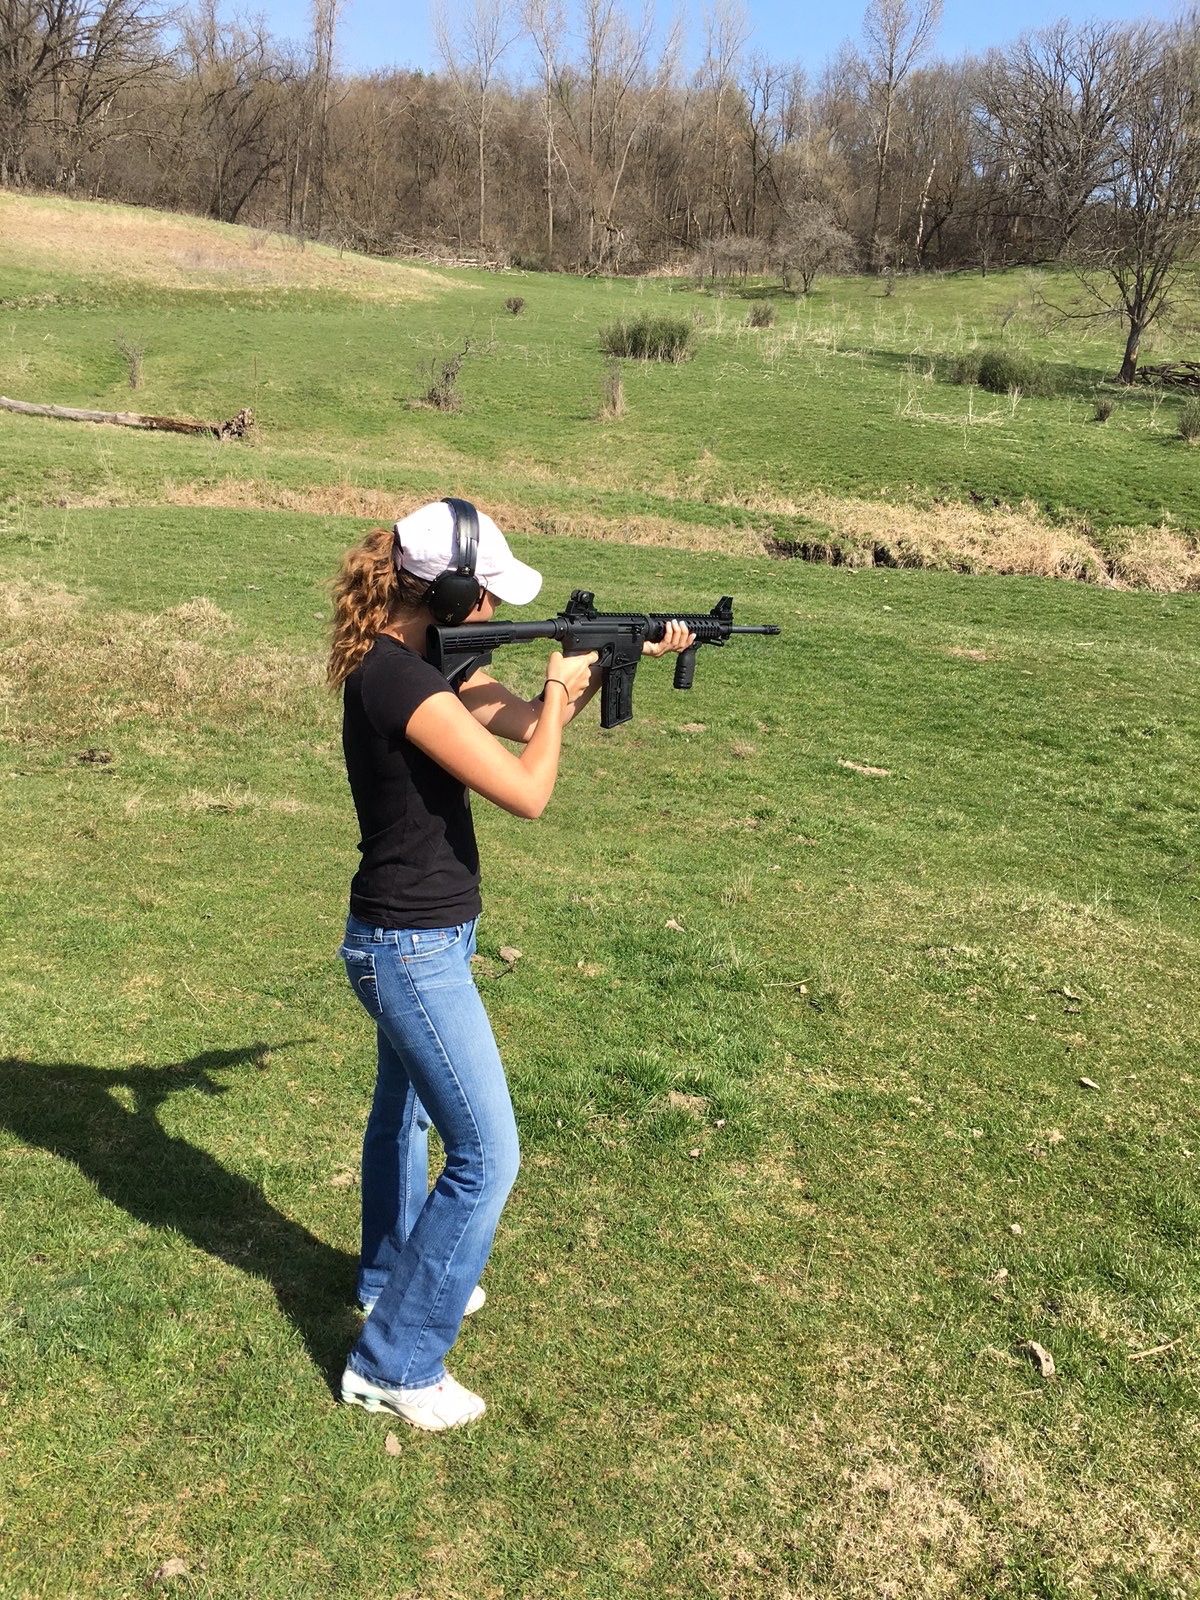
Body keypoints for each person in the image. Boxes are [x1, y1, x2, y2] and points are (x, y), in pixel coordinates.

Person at [327, 499, 694, 1432]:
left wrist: (611, 660)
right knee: (489, 1157)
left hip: (418, 937)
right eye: (485, 595)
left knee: (401, 1120)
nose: (491, 611)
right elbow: (529, 789)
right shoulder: (403, 686)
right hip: (409, 948)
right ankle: (397, 1364)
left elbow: (519, 721)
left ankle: (388, 1281)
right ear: (447, 590)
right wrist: (566, 697)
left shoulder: (416, 667)